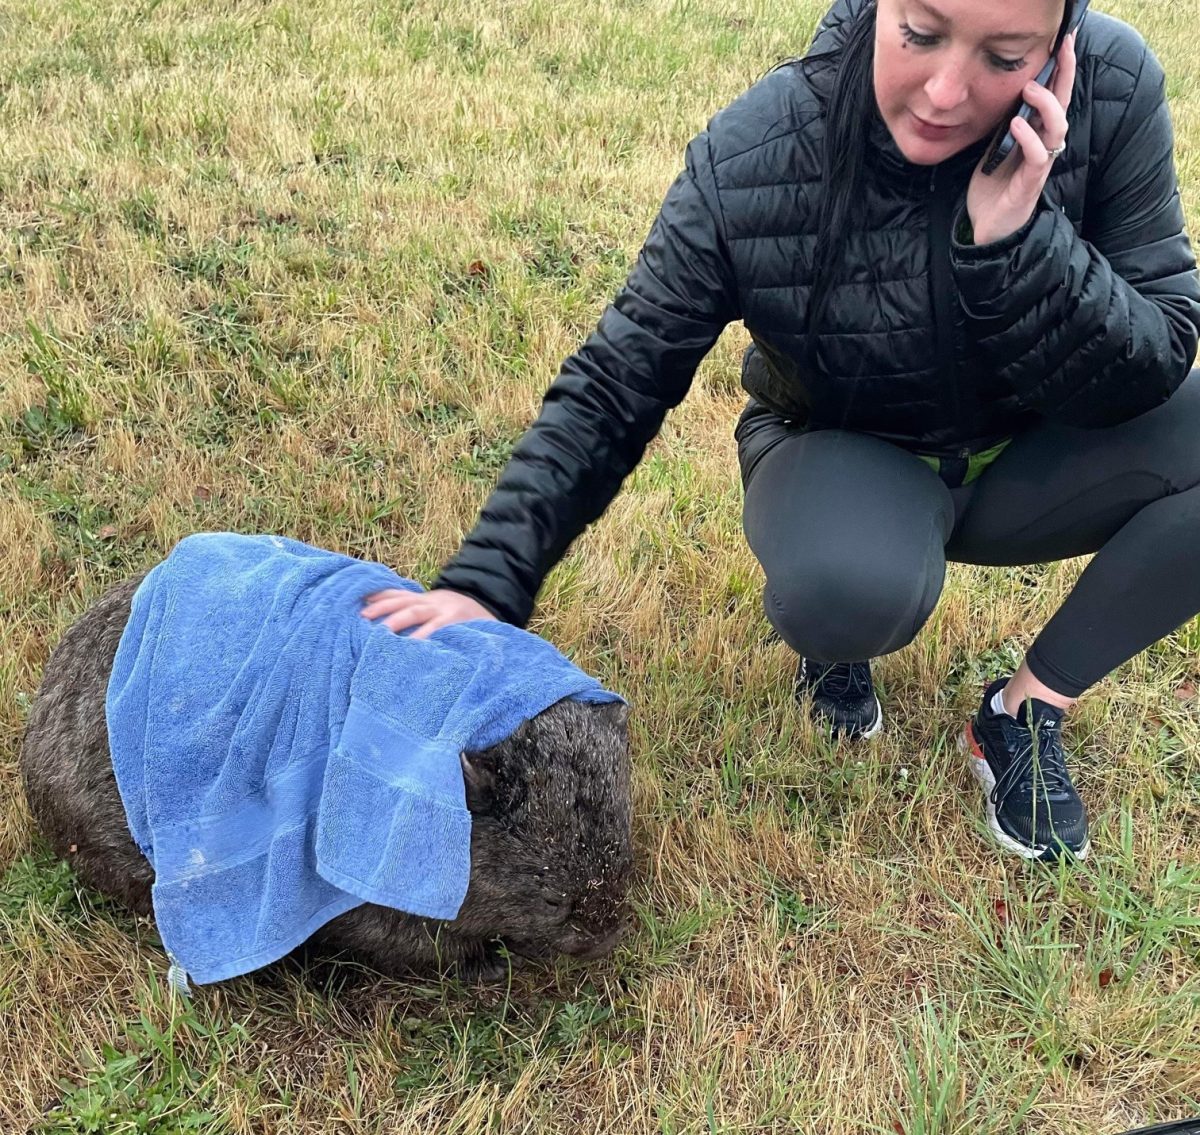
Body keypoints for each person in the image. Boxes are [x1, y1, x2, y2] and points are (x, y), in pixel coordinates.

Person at [361, 0, 1200, 863]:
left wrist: (1019, 243)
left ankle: (1021, 712)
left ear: (1060, 47)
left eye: (1005, 56)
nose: (946, 91)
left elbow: (1160, 353)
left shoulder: (1115, 85)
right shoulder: (759, 151)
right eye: (919, 34)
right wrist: (489, 581)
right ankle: (837, 646)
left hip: (1028, 453)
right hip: (839, 446)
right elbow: (619, 377)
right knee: (848, 588)